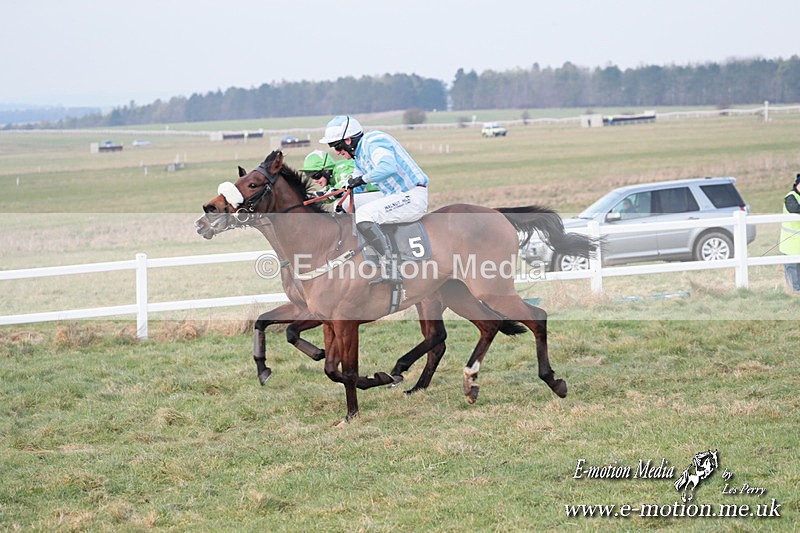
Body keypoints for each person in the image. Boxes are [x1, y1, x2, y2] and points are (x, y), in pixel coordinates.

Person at [319, 115, 429, 283]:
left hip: (412, 196)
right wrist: (328, 194)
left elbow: (388, 167)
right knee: (345, 204)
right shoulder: (359, 157)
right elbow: (354, 186)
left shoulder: (374, 141)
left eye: (337, 146)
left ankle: (391, 266)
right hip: (393, 196)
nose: (337, 152)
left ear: (348, 140)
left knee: (364, 214)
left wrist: (362, 179)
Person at [779, 173, 800, 293]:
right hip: (791, 245)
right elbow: (795, 209)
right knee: (793, 276)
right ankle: (794, 295)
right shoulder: (790, 197)